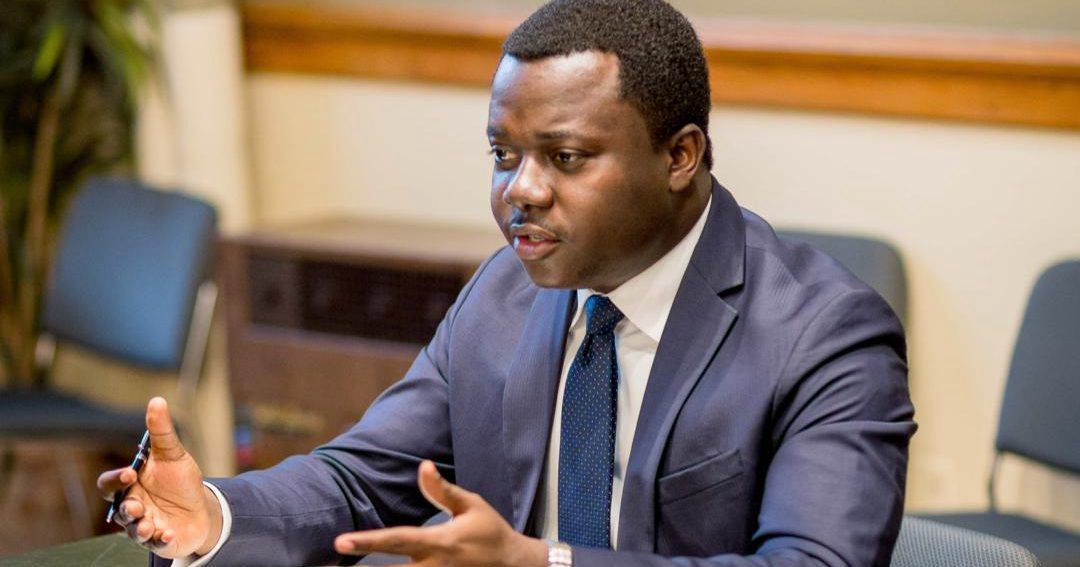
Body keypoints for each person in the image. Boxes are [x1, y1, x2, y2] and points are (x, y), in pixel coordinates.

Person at [97, 0, 916, 565]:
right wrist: (214, 511)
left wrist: (542, 561)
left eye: (565, 157)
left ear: (680, 155)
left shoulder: (826, 334)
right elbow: (361, 478)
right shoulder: (506, 290)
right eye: (503, 154)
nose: (519, 189)